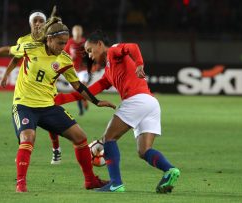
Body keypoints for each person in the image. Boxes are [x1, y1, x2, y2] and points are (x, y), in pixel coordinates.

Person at [0, 19, 116, 192]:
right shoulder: (31, 48)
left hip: (48, 107)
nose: (63, 46)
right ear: (48, 39)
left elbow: (78, 85)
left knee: (80, 137)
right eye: (59, 42)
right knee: (28, 138)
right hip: (24, 105)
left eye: (65, 43)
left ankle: (90, 180)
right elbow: (8, 50)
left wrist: (96, 101)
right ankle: (21, 184)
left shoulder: (64, 60)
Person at [54, 30, 180, 193]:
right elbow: (88, 92)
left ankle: (116, 183)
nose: (90, 56)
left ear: (100, 44)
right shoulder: (108, 72)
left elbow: (132, 47)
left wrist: (139, 63)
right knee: (144, 151)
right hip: (151, 104)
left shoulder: (113, 51)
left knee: (108, 139)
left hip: (136, 100)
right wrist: (58, 100)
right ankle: (170, 170)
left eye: (90, 50)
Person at [0, 9, 63, 165]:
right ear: (30, 23)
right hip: (28, 90)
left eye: (41, 20)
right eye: (35, 21)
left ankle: (56, 149)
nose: (38, 23)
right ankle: (23, 149)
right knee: (23, 123)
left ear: (45, 23)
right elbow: (15, 58)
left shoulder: (49, 39)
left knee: (52, 124)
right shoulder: (23, 40)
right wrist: (6, 74)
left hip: (46, 89)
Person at [64, 25, 89, 116]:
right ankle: (81, 109)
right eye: (76, 31)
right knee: (76, 90)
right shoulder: (69, 42)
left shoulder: (84, 42)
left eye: (79, 31)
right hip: (73, 69)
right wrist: (70, 57)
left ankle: (85, 100)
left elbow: (89, 53)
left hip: (83, 69)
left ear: (81, 32)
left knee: (82, 87)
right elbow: (63, 54)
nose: (77, 33)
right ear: (73, 32)